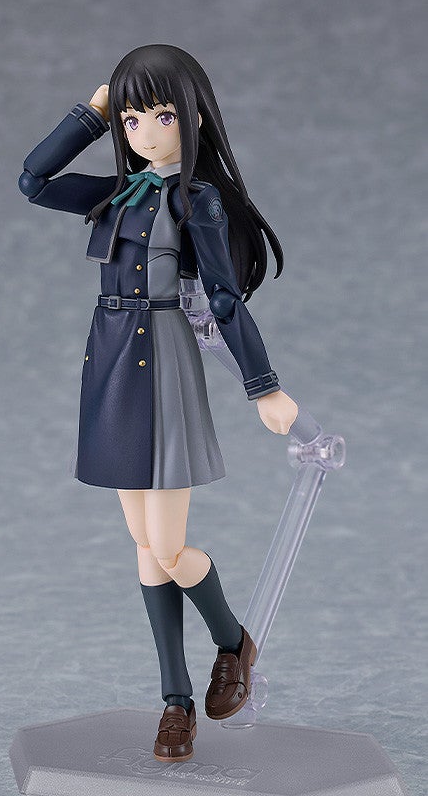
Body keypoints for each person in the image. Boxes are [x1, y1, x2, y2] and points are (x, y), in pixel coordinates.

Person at [19, 44, 298, 762]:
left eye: (162, 115)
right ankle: (176, 698)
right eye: (132, 118)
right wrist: (92, 111)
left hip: (162, 355)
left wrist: (264, 386)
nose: (144, 132)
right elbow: (33, 180)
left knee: (169, 545)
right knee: (145, 547)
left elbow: (227, 301)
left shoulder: (195, 200)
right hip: (109, 357)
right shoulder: (119, 192)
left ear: (194, 117)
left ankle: (232, 642)